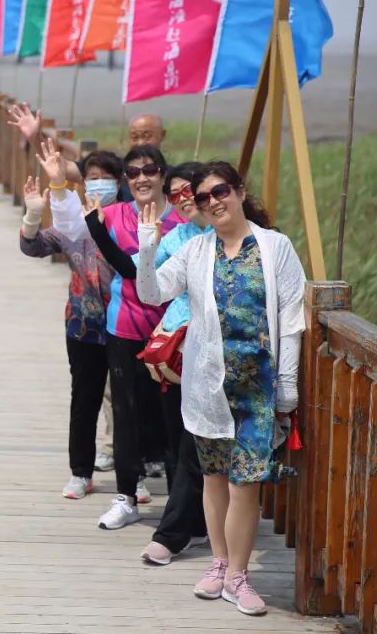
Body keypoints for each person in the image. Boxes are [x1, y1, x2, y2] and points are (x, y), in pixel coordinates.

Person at [135, 161, 305, 616]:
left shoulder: (275, 247)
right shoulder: (196, 252)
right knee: (214, 480)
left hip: (258, 388)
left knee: (245, 484)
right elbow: (152, 293)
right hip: (208, 386)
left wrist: (287, 384)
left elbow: (290, 319)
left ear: (239, 191)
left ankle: (239, 576)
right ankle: (219, 563)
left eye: (221, 191)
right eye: (204, 196)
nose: (213, 202)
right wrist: (147, 246)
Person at [46, 142, 183, 530]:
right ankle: (125, 498)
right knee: (124, 415)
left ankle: (177, 506)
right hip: (122, 328)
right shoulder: (114, 215)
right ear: (127, 180)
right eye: (134, 172)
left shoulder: (181, 223)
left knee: (170, 419)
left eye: (150, 171)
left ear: (162, 174)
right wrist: (58, 185)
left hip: (169, 332)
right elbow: (71, 226)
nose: (142, 178)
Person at [85, 161, 211, 563]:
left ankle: (193, 522)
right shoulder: (175, 235)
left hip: (205, 347)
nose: (183, 199)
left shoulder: (228, 234)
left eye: (188, 191)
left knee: (181, 434)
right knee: (135, 418)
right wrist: (111, 233)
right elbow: (143, 280)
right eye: (178, 195)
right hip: (161, 342)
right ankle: (159, 514)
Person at [18, 150, 121, 500]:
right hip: (83, 327)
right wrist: (33, 213)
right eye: (92, 177)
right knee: (85, 401)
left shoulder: (127, 222)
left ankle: (132, 476)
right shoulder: (71, 225)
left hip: (127, 325)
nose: (99, 183)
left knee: (129, 401)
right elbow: (32, 246)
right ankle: (81, 472)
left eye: (106, 177)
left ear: (119, 183)